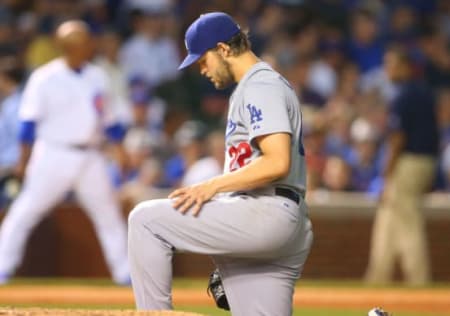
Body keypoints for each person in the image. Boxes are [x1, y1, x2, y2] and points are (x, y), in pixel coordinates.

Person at [128, 12, 313, 315]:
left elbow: (277, 162)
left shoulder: (260, 85)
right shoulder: (258, 85)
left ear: (224, 49)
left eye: (203, 60)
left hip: (265, 212)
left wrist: (210, 186)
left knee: (146, 221)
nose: (201, 69)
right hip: (277, 218)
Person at [0, 20, 130, 285]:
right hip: (53, 153)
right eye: (76, 42)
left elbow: (110, 122)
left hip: (90, 156)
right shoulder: (44, 77)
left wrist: (120, 151)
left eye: (83, 41)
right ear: (63, 46)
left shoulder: (97, 75)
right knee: (25, 211)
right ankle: (3, 267)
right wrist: (24, 161)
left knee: (108, 215)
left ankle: (125, 273)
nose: (82, 46)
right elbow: (28, 125)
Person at [365, 45, 439, 286]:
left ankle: (418, 280)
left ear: (406, 67)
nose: (388, 70)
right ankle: (378, 276)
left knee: (407, 220)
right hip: (424, 161)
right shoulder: (424, 91)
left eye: (392, 64)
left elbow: (398, 139)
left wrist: (387, 170)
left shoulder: (403, 95)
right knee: (388, 216)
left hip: (408, 161)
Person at [0, 57, 24, 210]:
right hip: (6, 168)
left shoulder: (15, 105)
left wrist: (15, 166)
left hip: (12, 170)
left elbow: (22, 139)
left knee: (11, 210)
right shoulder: (9, 102)